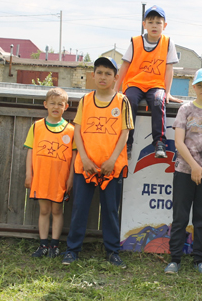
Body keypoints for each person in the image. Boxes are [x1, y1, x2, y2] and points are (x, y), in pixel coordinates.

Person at [62, 57, 134, 268]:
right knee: (79, 209)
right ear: (93, 75)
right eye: (99, 72)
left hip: (112, 167)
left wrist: (112, 160)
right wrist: (83, 158)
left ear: (115, 78)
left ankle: (113, 251)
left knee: (111, 210)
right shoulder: (86, 100)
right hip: (85, 166)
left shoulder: (122, 101)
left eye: (108, 73)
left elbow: (125, 132)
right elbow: (77, 129)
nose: (103, 77)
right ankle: (72, 250)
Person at [164, 68, 202, 275]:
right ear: (193, 86)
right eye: (199, 85)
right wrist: (193, 167)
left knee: (201, 218)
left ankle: (199, 259)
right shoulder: (185, 110)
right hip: (184, 170)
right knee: (180, 216)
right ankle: (175, 259)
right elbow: (179, 142)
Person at [115, 5, 182, 161]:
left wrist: (168, 92)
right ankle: (127, 143)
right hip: (135, 83)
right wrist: (115, 89)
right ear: (144, 24)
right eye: (150, 22)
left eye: (158, 22)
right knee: (129, 100)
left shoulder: (168, 43)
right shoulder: (135, 42)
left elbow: (169, 69)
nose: (154, 25)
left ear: (164, 26)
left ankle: (159, 142)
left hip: (156, 85)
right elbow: (124, 65)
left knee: (159, 100)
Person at [24, 87, 76, 258]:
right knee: (44, 210)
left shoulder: (70, 130)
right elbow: (30, 151)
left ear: (66, 107)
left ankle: (55, 245)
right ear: (45, 104)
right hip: (41, 177)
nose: (56, 107)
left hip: (59, 179)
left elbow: (74, 156)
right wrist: (28, 174)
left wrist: (70, 179)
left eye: (60, 104)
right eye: (52, 103)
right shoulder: (37, 126)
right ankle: (43, 245)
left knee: (57, 211)